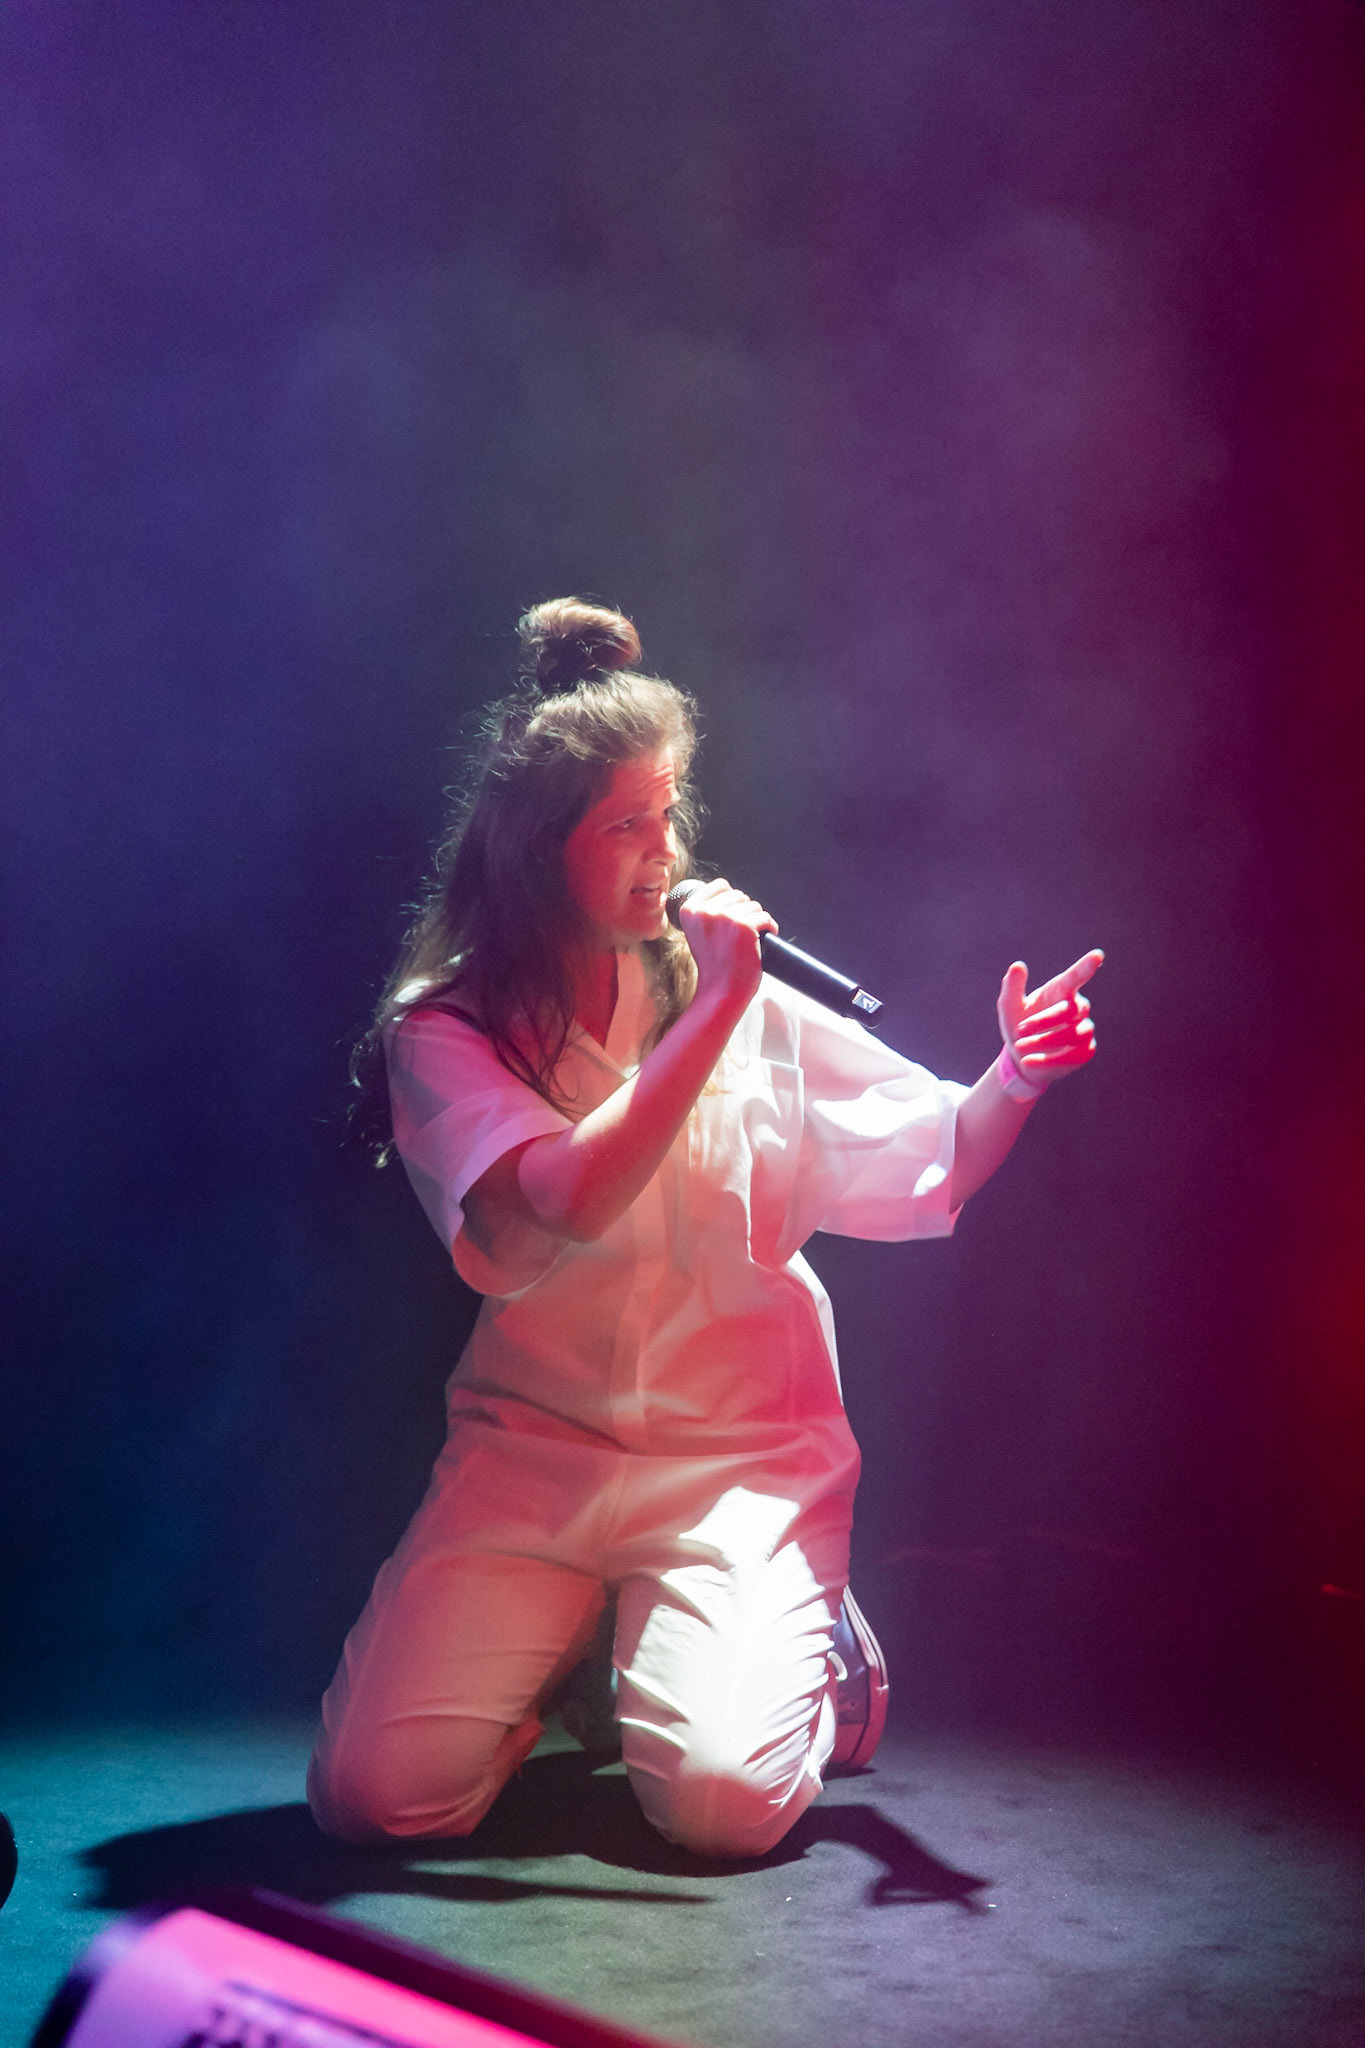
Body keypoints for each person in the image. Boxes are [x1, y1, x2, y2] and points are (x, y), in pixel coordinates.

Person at [307, 598, 1101, 1860]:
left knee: (723, 1808)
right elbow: (563, 1195)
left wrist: (1013, 1076)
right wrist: (715, 1008)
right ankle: (581, 1652)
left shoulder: (737, 995)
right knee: (373, 1796)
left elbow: (937, 1148)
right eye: (624, 822)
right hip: (535, 1457)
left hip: (738, 1460)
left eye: (668, 812)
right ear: (535, 851)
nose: (664, 851)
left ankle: (809, 1640)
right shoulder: (445, 1027)